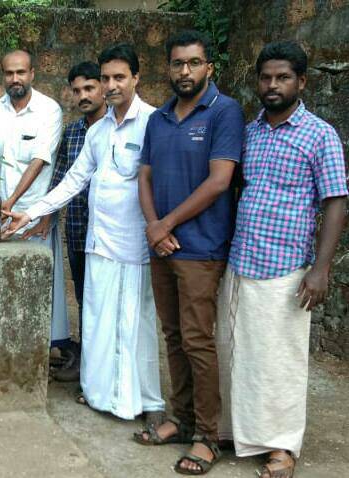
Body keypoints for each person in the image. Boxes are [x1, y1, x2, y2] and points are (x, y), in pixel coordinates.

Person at [2, 44, 165, 422]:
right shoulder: (97, 133)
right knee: (98, 320)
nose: (110, 85)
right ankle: (101, 394)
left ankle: (145, 401)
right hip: (98, 242)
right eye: (106, 78)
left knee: (134, 323)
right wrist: (30, 213)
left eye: (118, 77)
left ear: (136, 78)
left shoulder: (153, 122)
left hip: (135, 245)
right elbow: (72, 181)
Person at [216, 41, 347, 478]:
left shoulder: (319, 134)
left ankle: (281, 446)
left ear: (301, 81)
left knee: (280, 361)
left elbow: (335, 203)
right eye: (266, 77)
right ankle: (238, 431)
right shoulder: (249, 132)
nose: (273, 85)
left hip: (287, 268)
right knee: (235, 352)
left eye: (283, 77)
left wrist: (321, 268)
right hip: (240, 260)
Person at [135, 30, 244, 476]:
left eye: (194, 63)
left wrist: (167, 224)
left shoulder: (225, 111)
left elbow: (220, 181)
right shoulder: (158, 118)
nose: (185, 71)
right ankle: (180, 421)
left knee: (199, 340)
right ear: (168, 67)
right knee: (173, 336)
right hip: (162, 246)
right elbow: (144, 176)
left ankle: (206, 435)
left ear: (208, 67)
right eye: (178, 63)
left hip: (201, 247)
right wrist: (152, 228)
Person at [0, 49, 69, 347]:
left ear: (32, 74)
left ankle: (42, 348)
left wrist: (12, 201)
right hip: (2, 214)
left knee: (37, 287)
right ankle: (5, 347)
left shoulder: (49, 110)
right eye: (9, 73)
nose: (15, 78)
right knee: (4, 284)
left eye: (21, 72)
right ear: (2, 75)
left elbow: (40, 160)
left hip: (33, 214)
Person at [28, 61, 106, 382]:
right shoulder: (73, 131)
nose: (83, 95)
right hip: (76, 231)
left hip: (109, 235)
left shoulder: (116, 128)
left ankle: (103, 368)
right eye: (77, 90)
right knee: (85, 299)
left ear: (103, 87)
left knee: (106, 301)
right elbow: (61, 180)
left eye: (89, 88)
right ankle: (87, 363)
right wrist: (46, 216)